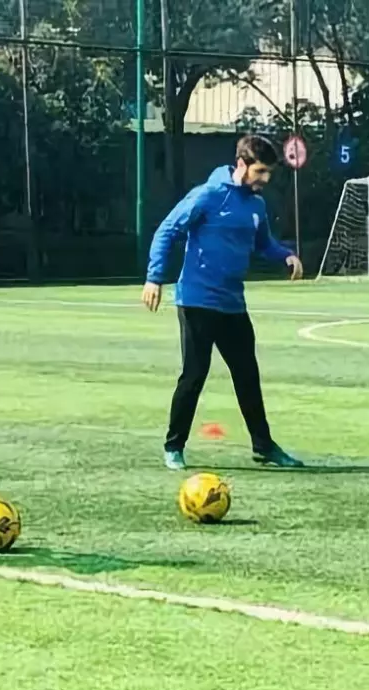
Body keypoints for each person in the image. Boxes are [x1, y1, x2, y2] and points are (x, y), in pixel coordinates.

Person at [143, 134, 305, 471]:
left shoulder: (256, 205)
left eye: (269, 173)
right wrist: (154, 277)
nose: (265, 179)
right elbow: (167, 230)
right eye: (260, 171)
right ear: (242, 164)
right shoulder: (208, 195)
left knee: (247, 375)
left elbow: (263, 244)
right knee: (194, 374)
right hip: (197, 300)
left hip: (232, 303)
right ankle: (174, 446)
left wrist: (286, 255)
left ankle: (263, 446)